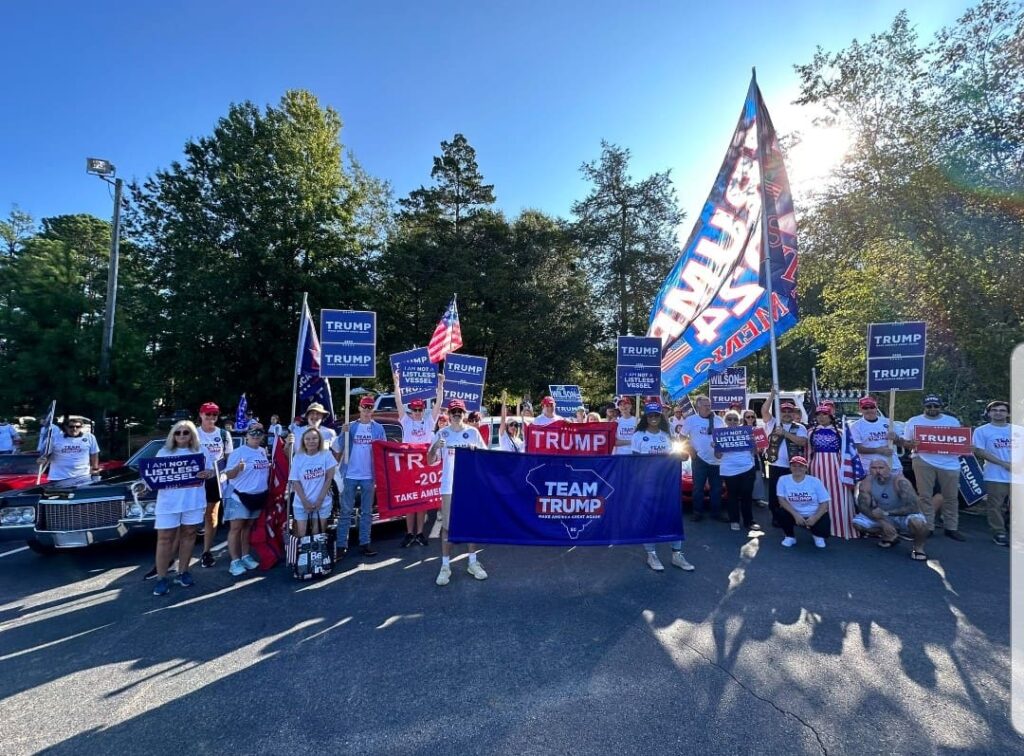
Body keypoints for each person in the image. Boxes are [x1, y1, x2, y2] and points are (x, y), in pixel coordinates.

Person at [151, 421, 216, 596]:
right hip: (168, 503)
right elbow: (153, 475)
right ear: (172, 434)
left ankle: (183, 572)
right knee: (164, 539)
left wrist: (208, 473)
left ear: (192, 434)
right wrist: (144, 484)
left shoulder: (201, 451)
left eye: (185, 432)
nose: (181, 435)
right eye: (177, 432)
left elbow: (211, 471)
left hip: (193, 501)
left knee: (189, 535)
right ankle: (161, 578)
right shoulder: (163, 452)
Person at [427, 399, 488, 586]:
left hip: (469, 486)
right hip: (448, 487)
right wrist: (436, 446)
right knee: (447, 527)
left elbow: (485, 458)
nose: (456, 413)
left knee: (470, 524)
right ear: (449, 413)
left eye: (459, 411)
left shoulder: (473, 432)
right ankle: (445, 565)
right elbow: (430, 461)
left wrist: (475, 451)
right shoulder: (442, 433)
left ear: (464, 413)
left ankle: (472, 562)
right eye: (453, 411)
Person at [632, 401, 695, 571]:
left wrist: (681, 455)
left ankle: (677, 554)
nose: (653, 418)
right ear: (646, 417)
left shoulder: (666, 435)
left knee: (673, 516)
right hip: (648, 483)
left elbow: (674, 455)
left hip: (668, 481)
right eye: (650, 415)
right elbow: (635, 462)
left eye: (656, 415)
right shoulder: (638, 435)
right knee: (650, 517)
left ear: (661, 417)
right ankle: (651, 554)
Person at [902, 394, 965, 541]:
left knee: (951, 496)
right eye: (929, 406)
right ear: (924, 407)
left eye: (936, 406)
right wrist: (912, 444)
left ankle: (951, 527)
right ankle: (927, 526)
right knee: (925, 495)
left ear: (940, 407)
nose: (932, 409)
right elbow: (905, 443)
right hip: (923, 460)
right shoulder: (914, 421)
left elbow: (959, 441)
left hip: (949, 462)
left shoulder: (952, 421)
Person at [334, 396, 387, 557]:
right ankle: (341, 544)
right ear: (359, 408)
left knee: (367, 512)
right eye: (364, 407)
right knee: (345, 511)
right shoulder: (350, 426)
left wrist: (381, 474)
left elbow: (382, 450)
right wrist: (343, 433)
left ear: (373, 410)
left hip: (368, 475)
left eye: (370, 407)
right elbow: (338, 447)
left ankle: (365, 543)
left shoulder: (378, 428)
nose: (367, 410)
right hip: (349, 474)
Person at [396, 378, 444, 547]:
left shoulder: (429, 422)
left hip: (424, 468)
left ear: (423, 410)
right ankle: (409, 533)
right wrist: (396, 382)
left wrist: (440, 386)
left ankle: (420, 533)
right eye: (414, 409)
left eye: (420, 409)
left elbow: (438, 404)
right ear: (411, 410)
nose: (417, 411)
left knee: (422, 501)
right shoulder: (406, 421)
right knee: (410, 502)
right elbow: (398, 401)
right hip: (408, 467)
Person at [852, 458, 930, 560]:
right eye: (874, 468)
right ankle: (890, 536)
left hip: (903, 515)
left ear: (888, 469)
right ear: (870, 470)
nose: (878, 471)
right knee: (858, 523)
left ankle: (918, 548)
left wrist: (886, 514)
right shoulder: (867, 483)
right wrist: (882, 521)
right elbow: (863, 506)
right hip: (883, 515)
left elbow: (913, 508)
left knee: (919, 523)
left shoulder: (900, 482)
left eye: (881, 468)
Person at [223, 424, 271, 576]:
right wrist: (238, 468)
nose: (256, 435)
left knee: (247, 527)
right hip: (239, 496)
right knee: (236, 528)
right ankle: (234, 561)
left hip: (257, 496)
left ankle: (245, 555)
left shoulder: (262, 451)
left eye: (259, 432)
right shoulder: (238, 452)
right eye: (252, 432)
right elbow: (228, 475)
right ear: (247, 435)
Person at [972, 400, 1022, 547]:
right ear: (989, 413)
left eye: (1002, 410)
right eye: (994, 410)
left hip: (1019, 475)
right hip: (995, 474)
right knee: (995, 505)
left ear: (1008, 413)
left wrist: (1018, 464)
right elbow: (979, 451)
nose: (998, 413)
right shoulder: (982, 431)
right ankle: (999, 532)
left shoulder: (1019, 430)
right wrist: (1004, 464)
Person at [195, 402, 234, 568]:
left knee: (211, 515)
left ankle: (206, 552)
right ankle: (174, 557)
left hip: (215, 479)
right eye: (207, 414)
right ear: (201, 415)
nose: (211, 418)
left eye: (214, 415)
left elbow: (228, 459)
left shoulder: (224, 434)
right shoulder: (192, 434)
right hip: (195, 480)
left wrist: (215, 473)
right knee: (190, 519)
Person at [761, 391, 808, 528]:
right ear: (779, 412)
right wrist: (771, 395)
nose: (786, 413)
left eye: (789, 411)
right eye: (783, 411)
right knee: (775, 493)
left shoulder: (800, 427)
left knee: (792, 493)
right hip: (775, 465)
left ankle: (793, 516)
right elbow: (764, 410)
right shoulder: (772, 423)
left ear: (794, 413)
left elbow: (802, 442)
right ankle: (776, 517)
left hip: (794, 467)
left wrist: (785, 433)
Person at [807, 405, 855, 538]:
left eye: (824, 414)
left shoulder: (840, 432)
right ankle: (819, 526)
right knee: (819, 496)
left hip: (836, 466)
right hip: (817, 466)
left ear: (830, 416)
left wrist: (846, 469)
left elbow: (846, 453)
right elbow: (809, 452)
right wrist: (808, 467)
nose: (821, 417)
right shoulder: (811, 432)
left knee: (837, 496)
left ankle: (840, 526)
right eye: (819, 415)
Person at [680, 395, 725, 522]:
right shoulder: (691, 420)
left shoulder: (718, 420)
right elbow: (682, 437)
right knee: (698, 488)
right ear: (698, 406)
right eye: (705, 405)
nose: (708, 408)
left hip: (716, 460)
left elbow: (723, 438)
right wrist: (691, 451)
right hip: (699, 459)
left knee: (716, 488)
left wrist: (720, 449)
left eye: (709, 405)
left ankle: (716, 513)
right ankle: (697, 513)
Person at [713, 410, 759, 533]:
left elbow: (754, 453)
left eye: (735, 419)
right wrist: (717, 446)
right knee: (732, 495)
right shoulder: (721, 434)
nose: (732, 421)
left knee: (747, 495)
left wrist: (753, 442)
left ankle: (749, 521)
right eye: (730, 419)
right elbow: (718, 456)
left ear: (739, 421)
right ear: (725, 421)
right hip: (729, 470)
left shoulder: (746, 432)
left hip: (747, 468)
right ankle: (734, 520)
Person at [289, 427, 337, 539]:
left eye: (314, 438)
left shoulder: (326, 455)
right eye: (308, 439)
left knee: (318, 533)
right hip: (301, 502)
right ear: (303, 441)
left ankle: (318, 556)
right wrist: (305, 502)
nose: (311, 441)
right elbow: (295, 481)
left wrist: (319, 500)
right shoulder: (298, 457)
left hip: (322, 501)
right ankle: (303, 556)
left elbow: (329, 479)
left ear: (319, 440)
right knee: (302, 534)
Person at [775, 456, 831, 549]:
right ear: (790, 467)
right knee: (780, 512)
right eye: (794, 466)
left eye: (801, 466)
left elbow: (825, 502)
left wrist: (815, 517)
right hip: (794, 513)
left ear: (806, 468)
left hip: (813, 513)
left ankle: (817, 535)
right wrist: (796, 515)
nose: (797, 468)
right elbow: (781, 499)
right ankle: (790, 536)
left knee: (823, 533)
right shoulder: (783, 479)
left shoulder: (815, 481)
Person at [37, 415, 100, 487]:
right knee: (60, 497)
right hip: (59, 477)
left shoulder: (89, 437)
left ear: (81, 427)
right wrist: (42, 459)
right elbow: (46, 454)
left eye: (77, 427)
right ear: (66, 427)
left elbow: (94, 453)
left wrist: (95, 468)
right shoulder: (55, 438)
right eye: (71, 427)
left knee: (81, 496)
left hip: (82, 476)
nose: (74, 429)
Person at [849, 396, 902, 481]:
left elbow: (901, 443)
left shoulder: (888, 422)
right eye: (865, 408)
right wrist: (878, 450)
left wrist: (895, 437)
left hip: (892, 465)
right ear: (860, 409)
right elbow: (857, 448)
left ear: (876, 408)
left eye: (872, 407)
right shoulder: (855, 426)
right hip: (869, 468)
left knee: (898, 491)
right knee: (870, 492)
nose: (869, 410)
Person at [742, 409, 768, 507]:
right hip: (742, 457)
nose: (750, 419)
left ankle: (758, 498)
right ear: (744, 418)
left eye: (752, 417)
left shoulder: (758, 429)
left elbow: (762, 447)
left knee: (757, 478)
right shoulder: (739, 429)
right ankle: (743, 498)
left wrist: (757, 449)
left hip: (755, 457)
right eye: (748, 417)